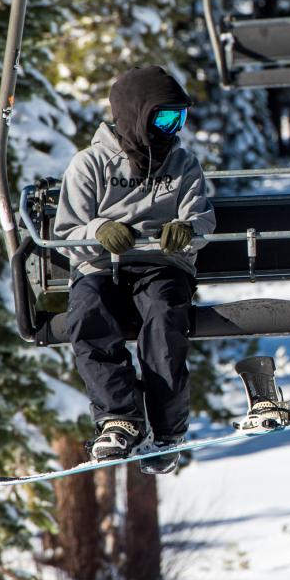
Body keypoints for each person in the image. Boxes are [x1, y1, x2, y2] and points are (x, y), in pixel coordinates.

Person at [52, 66, 215, 472]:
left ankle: (166, 432)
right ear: (136, 115)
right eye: (163, 118)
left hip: (160, 266)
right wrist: (100, 229)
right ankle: (119, 418)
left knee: (163, 323)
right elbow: (68, 229)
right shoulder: (90, 165)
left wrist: (186, 230)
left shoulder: (182, 164)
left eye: (179, 118)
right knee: (90, 316)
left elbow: (201, 218)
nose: (172, 128)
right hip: (100, 265)